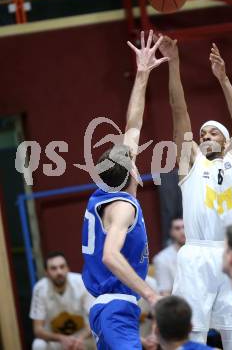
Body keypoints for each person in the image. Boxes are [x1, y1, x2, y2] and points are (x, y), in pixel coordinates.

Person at [156, 34, 232, 348]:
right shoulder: (191, 164)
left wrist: (223, 79)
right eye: (202, 133)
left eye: (214, 132)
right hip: (195, 255)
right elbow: (178, 111)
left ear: (225, 142)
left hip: (229, 255)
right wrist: (174, 63)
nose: (206, 135)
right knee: (192, 337)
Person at [81, 30, 168, 350]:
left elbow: (133, 126)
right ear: (132, 170)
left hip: (109, 308)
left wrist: (142, 73)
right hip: (117, 306)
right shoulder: (123, 207)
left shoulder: (106, 189)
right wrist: (152, 296)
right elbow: (110, 255)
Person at [29, 252, 95, 350]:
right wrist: (61, 339)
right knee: (38, 345)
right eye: (53, 268)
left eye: (62, 267)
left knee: (101, 338)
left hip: (82, 337)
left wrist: (79, 338)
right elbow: (37, 329)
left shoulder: (81, 282)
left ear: (68, 268)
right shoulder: (40, 288)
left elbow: (95, 320)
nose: (59, 272)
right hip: (56, 339)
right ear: (46, 272)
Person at [153, 217, 185, 295]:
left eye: (184, 227)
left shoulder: (200, 254)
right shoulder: (162, 259)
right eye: (177, 228)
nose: (182, 231)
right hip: (178, 303)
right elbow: (165, 293)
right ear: (171, 232)